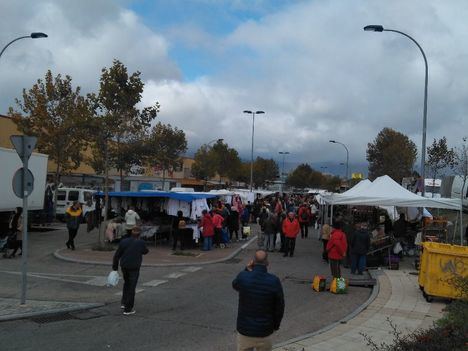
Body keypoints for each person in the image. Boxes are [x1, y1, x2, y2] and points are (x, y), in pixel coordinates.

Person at [232, 250, 284, 351]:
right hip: (264, 330)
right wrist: (276, 325)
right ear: (267, 263)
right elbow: (280, 307)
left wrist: (247, 269)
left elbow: (235, 285)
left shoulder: (243, 276)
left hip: (245, 330)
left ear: (253, 261)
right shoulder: (274, 281)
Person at [112, 227, 149, 315]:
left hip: (124, 266)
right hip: (134, 267)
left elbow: (117, 255)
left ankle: (124, 303)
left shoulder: (124, 241)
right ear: (139, 234)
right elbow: (145, 251)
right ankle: (128, 309)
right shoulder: (141, 242)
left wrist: (115, 268)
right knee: (132, 287)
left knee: (127, 283)